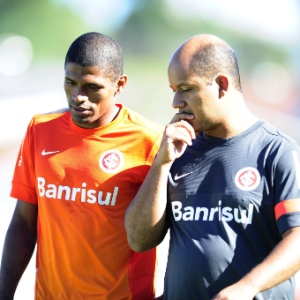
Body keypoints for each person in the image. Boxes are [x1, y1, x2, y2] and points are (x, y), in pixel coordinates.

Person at [124, 34, 300, 300]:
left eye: (186, 89)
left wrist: (247, 287)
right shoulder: (176, 150)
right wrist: (161, 164)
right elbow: (139, 240)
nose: (176, 103)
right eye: (174, 91)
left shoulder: (276, 151)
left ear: (221, 84)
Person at [0, 32, 163, 300]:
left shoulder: (150, 142)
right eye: (70, 82)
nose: (78, 97)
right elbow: (23, 223)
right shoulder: (40, 130)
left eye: (92, 87)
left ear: (119, 84)